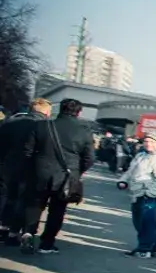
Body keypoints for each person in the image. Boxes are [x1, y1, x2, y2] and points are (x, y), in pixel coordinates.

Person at [19, 98, 95, 254]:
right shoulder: (84, 131)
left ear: (60, 109)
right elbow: (89, 158)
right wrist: (77, 171)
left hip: (40, 172)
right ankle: (47, 243)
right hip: (66, 176)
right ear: (79, 112)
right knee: (57, 210)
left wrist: (32, 168)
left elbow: (27, 151)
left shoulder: (42, 125)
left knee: (34, 204)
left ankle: (28, 233)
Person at [0, 99, 51, 245]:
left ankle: (3, 227)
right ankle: (14, 233)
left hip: (8, 166)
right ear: (47, 112)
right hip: (32, 168)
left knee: (7, 197)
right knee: (24, 201)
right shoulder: (46, 126)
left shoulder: (10, 122)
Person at [117, 136, 156, 258]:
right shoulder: (141, 155)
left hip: (152, 196)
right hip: (136, 193)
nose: (148, 144)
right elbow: (130, 171)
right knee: (138, 222)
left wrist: (150, 193)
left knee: (147, 223)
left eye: (152, 141)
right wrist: (123, 181)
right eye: (146, 141)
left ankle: (145, 249)